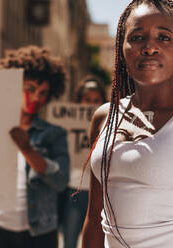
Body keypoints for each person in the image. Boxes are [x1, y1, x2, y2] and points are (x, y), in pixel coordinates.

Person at [82, 0, 173, 247]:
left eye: (163, 38)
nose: (150, 47)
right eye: (138, 37)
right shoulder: (103, 117)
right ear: (122, 48)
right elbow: (94, 218)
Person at [0, 45, 70, 248]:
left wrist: (28, 150)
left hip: (39, 232)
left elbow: (60, 180)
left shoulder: (54, 134)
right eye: (30, 89)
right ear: (15, 85)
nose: (37, 97)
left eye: (43, 93)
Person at [62, 75, 107, 248]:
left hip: (99, 191)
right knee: (70, 238)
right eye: (87, 99)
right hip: (75, 189)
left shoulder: (109, 123)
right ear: (78, 101)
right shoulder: (65, 124)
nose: (91, 104)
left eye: (96, 100)